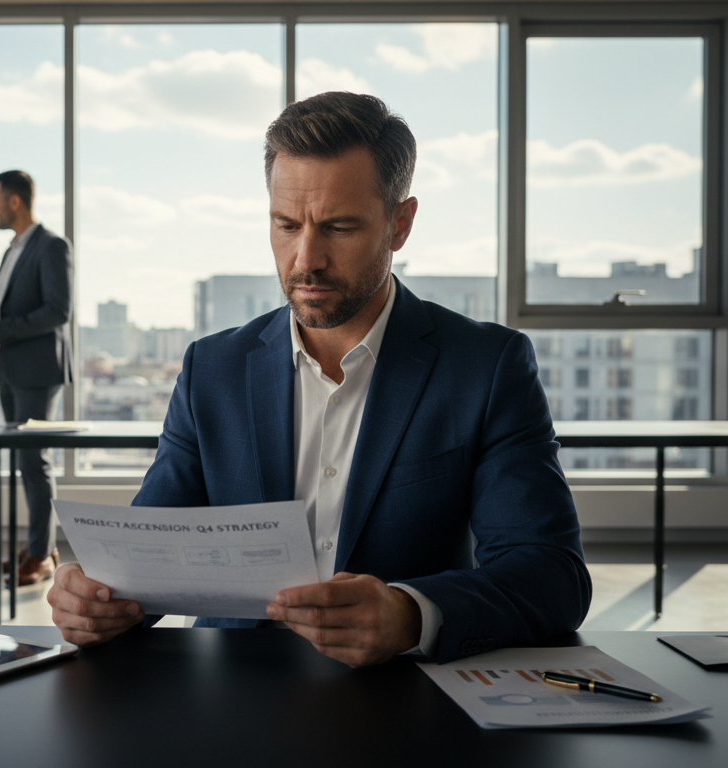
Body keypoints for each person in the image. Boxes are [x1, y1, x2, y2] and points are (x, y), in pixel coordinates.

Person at [47, 92, 592, 665]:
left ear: (399, 224)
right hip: (229, 705)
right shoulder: (213, 369)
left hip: (402, 704)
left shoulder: (484, 366)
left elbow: (551, 575)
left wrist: (410, 613)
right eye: (286, 225)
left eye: (338, 227)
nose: (306, 259)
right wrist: (98, 594)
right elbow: (148, 561)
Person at [0, 170, 73, 586]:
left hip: (36, 368)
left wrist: (0, 330)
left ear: (14, 201)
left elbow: (57, 311)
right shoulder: (12, 250)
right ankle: (37, 546)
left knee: (34, 459)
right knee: (23, 462)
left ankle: (42, 554)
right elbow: (4, 308)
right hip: (9, 368)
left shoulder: (51, 246)